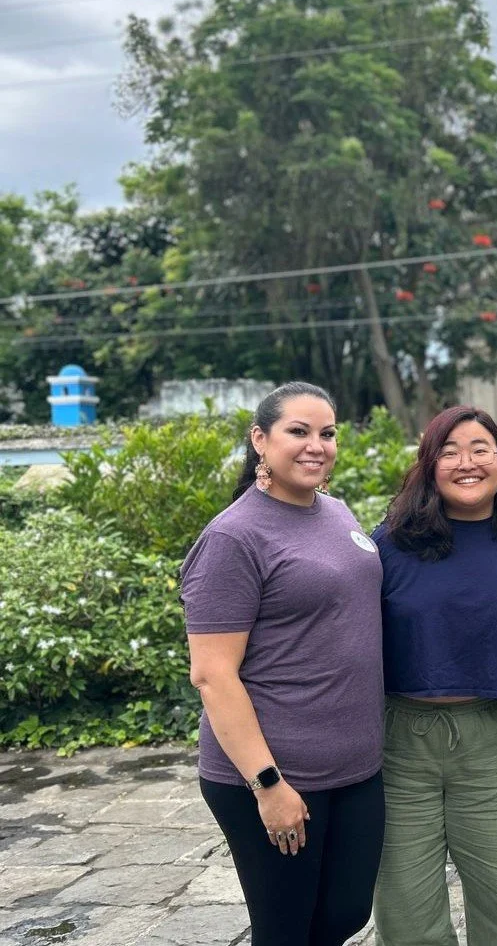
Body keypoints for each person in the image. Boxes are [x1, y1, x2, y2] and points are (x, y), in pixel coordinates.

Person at [181, 382, 385, 946]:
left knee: (345, 915)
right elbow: (212, 674)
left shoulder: (337, 512)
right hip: (276, 773)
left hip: (356, 768)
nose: (315, 445)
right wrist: (267, 784)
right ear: (259, 440)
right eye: (298, 431)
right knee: (287, 930)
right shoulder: (233, 537)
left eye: (327, 433)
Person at [371, 405, 497, 946]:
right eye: (450, 451)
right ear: (429, 464)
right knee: (405, 910)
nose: (467, 462)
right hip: (399, 742)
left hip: (495, 740)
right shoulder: (389, 543)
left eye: (481, 448)